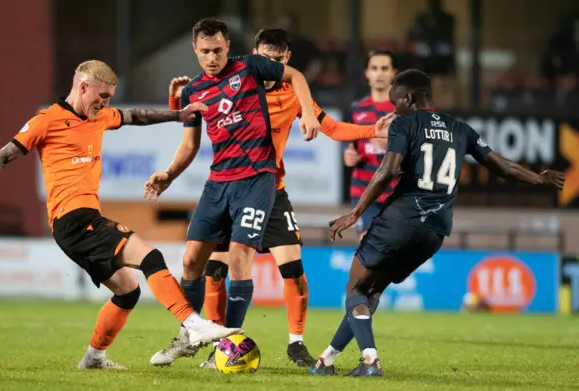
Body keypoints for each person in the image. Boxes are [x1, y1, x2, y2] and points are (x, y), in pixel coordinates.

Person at [0, 60, 243, 370]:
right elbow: (3, 155)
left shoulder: (100, 116)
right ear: (82, 87)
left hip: (77, 225)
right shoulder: (46, 121)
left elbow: (134, 117)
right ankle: (194, 324)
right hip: (73, 218)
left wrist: (178, 115)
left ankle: (93, 358)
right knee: (150, 258)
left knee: (127, 291)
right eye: (102, 96)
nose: (105, 104)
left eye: (110, 98)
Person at [150, 28, 392, 369]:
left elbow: (333, 128)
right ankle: (210, 338)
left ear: (285, 60)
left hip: (268, 188)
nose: (269, 65)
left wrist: (370, 130)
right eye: (265, 58)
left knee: (291, 270)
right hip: (228, 184)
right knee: (213, 268)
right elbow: (196, 118)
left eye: (276, 61)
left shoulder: (285, 90)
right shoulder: (236, 79)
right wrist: (176, 102)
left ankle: (293, 342)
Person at [310, 69, 565, 377]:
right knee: (371, 292)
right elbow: (503, 166)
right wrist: (539, 178)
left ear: (408, 98)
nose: (394, 111)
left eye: (396, 104)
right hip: (435, 232)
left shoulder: (405, 123)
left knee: (355, 289)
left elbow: (388, 171)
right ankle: (327, 359)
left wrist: (355, 212)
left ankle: (369, 360)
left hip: (400, 219)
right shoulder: (460, 128)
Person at [143, 19, 321, 366]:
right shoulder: (192, 92)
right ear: (195, 51)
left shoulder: (250, 66)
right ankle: (189, 334)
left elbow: (295, 76)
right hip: (218, 181)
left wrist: (310, 113)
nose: (212, 58)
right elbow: (189, 145)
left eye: (218, 50)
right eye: (205, 52)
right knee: (192, 259)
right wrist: (169, 174)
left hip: (257, 177)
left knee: (239, 258)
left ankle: (229, 344)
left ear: (228, 47)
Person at [344, 50, 397, 240]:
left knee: (393, 253)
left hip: (396, 194)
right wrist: (348, 156)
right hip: (364, 191)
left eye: (384, 68)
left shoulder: (405, 111)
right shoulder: (357, 110)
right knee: (368, 249)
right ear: (367, 73)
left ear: (393, 72)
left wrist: (390, 147)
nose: (379, 73)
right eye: (374, 68)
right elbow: (349, 147)